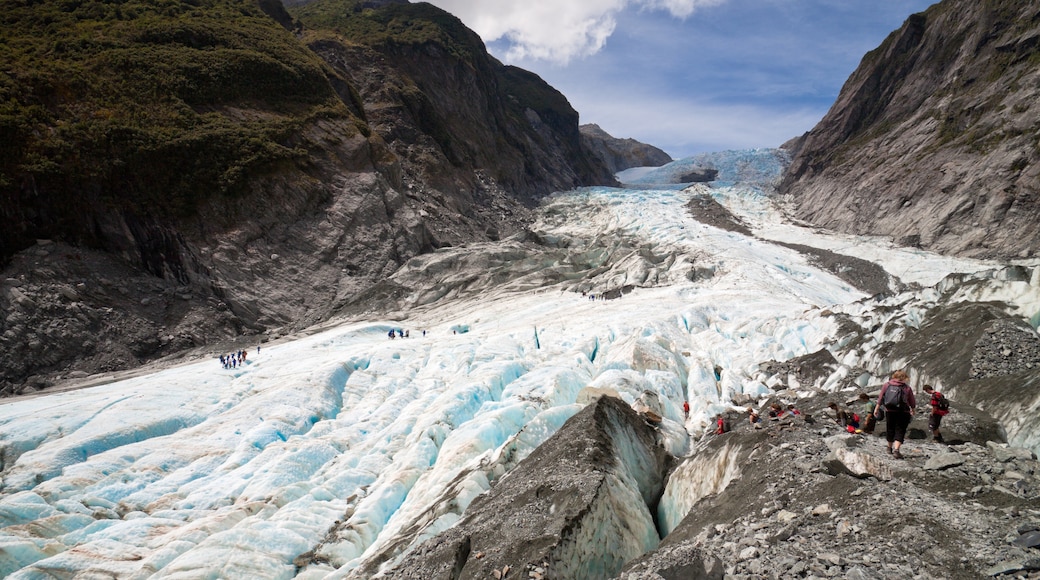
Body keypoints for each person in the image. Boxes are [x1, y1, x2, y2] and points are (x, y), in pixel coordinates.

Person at [876, 370, 916, 459]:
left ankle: (889, 447)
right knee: (900, 429)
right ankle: (896, 450)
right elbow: (911, 400)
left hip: (890, 411)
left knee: (890, 428)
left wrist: (877, 408)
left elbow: (881, 397)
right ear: (904, 378)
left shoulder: (887, 385)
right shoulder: (906, 388)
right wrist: (912, 409)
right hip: (903, 412)